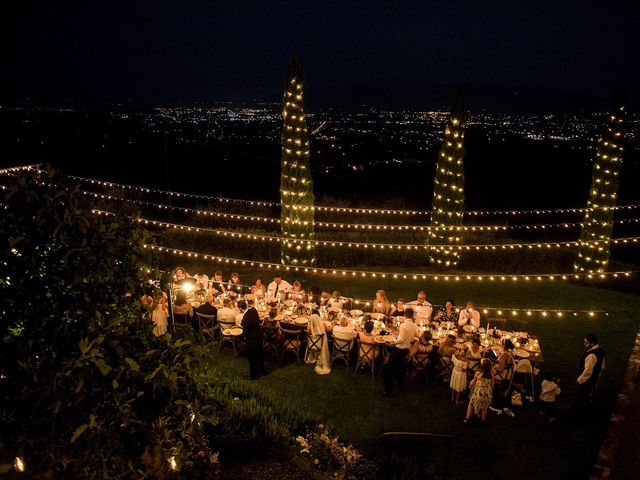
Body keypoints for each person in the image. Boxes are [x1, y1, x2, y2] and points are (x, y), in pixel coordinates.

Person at [383, 307, 418, 397]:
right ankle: (401, 388)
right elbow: (415, 336)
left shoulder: (403, 325)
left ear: (405, 314)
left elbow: (401, 339)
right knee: (399, 370)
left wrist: (393, 341)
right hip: (405, 350)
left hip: (398, 350)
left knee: (388, 370)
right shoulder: (414, 326)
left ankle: (388, 392)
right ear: (412, 315)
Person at [239, 299, 266, 379]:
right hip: (259, 335)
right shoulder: (254, 310)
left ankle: (254, 375)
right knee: (260, 354)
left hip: (252, 339)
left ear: (240, 308)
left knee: (252, 358)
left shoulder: (245, 318)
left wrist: (241, 336)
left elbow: (245, 333)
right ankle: (262, 370)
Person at [577, 333, 605, 406]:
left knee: (583, 394)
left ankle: (584, 407)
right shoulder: (600, 349)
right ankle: (590, 400)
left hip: (588, 380)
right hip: (594, 377)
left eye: (586, 343)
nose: (584, 344)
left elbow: (587, 371)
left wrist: (579, 380)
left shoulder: (591, 355)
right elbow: (603, 365)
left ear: (592, 344)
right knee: (590, 390)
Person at [465, 358, 494, 423]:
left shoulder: (478, 373)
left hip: (478, 394)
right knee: (484, 407)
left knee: (471, 403)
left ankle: (467, 418)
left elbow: (473, 383)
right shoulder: (491, 375)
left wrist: (470, 385)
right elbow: (492, 386)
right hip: (487, 394)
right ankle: (483, 420)